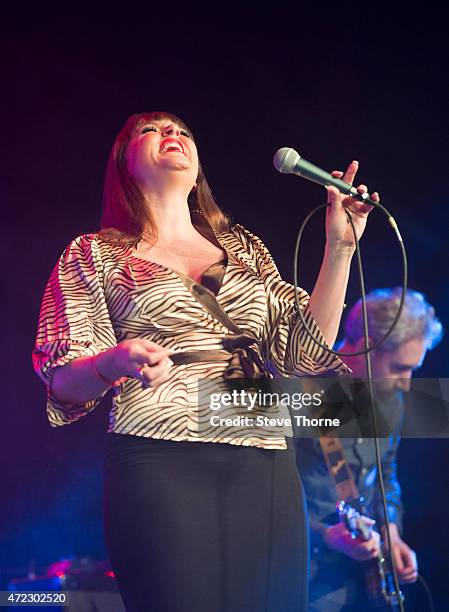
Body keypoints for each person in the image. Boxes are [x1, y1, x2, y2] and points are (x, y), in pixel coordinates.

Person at [32, 111, 378, 612]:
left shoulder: (244, 249)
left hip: (263, 452)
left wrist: (340, 247)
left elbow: (308, 349)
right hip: (160, 453)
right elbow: (63, 381)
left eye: (184, 131)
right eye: (152, 130)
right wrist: (113, 361)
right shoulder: (94, 254)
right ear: (124, 164)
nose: (173, 134)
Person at [295, 288, 443, 611]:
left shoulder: (392, 402)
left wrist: (391, 531)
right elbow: (266, 491)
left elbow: (385, 473)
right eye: (400, 368)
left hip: (362, 579)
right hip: (305, 576)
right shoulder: (302, 390)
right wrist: (323, 534)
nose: (407, 382)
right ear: (367, 347)